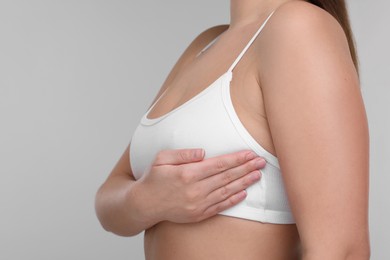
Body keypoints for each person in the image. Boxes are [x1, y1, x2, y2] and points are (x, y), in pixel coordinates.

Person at [95, 0, 370, 259]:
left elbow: (343, 251)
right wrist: (146, 200)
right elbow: (107, 201)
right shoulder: (206, 44)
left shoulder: (298, 26)